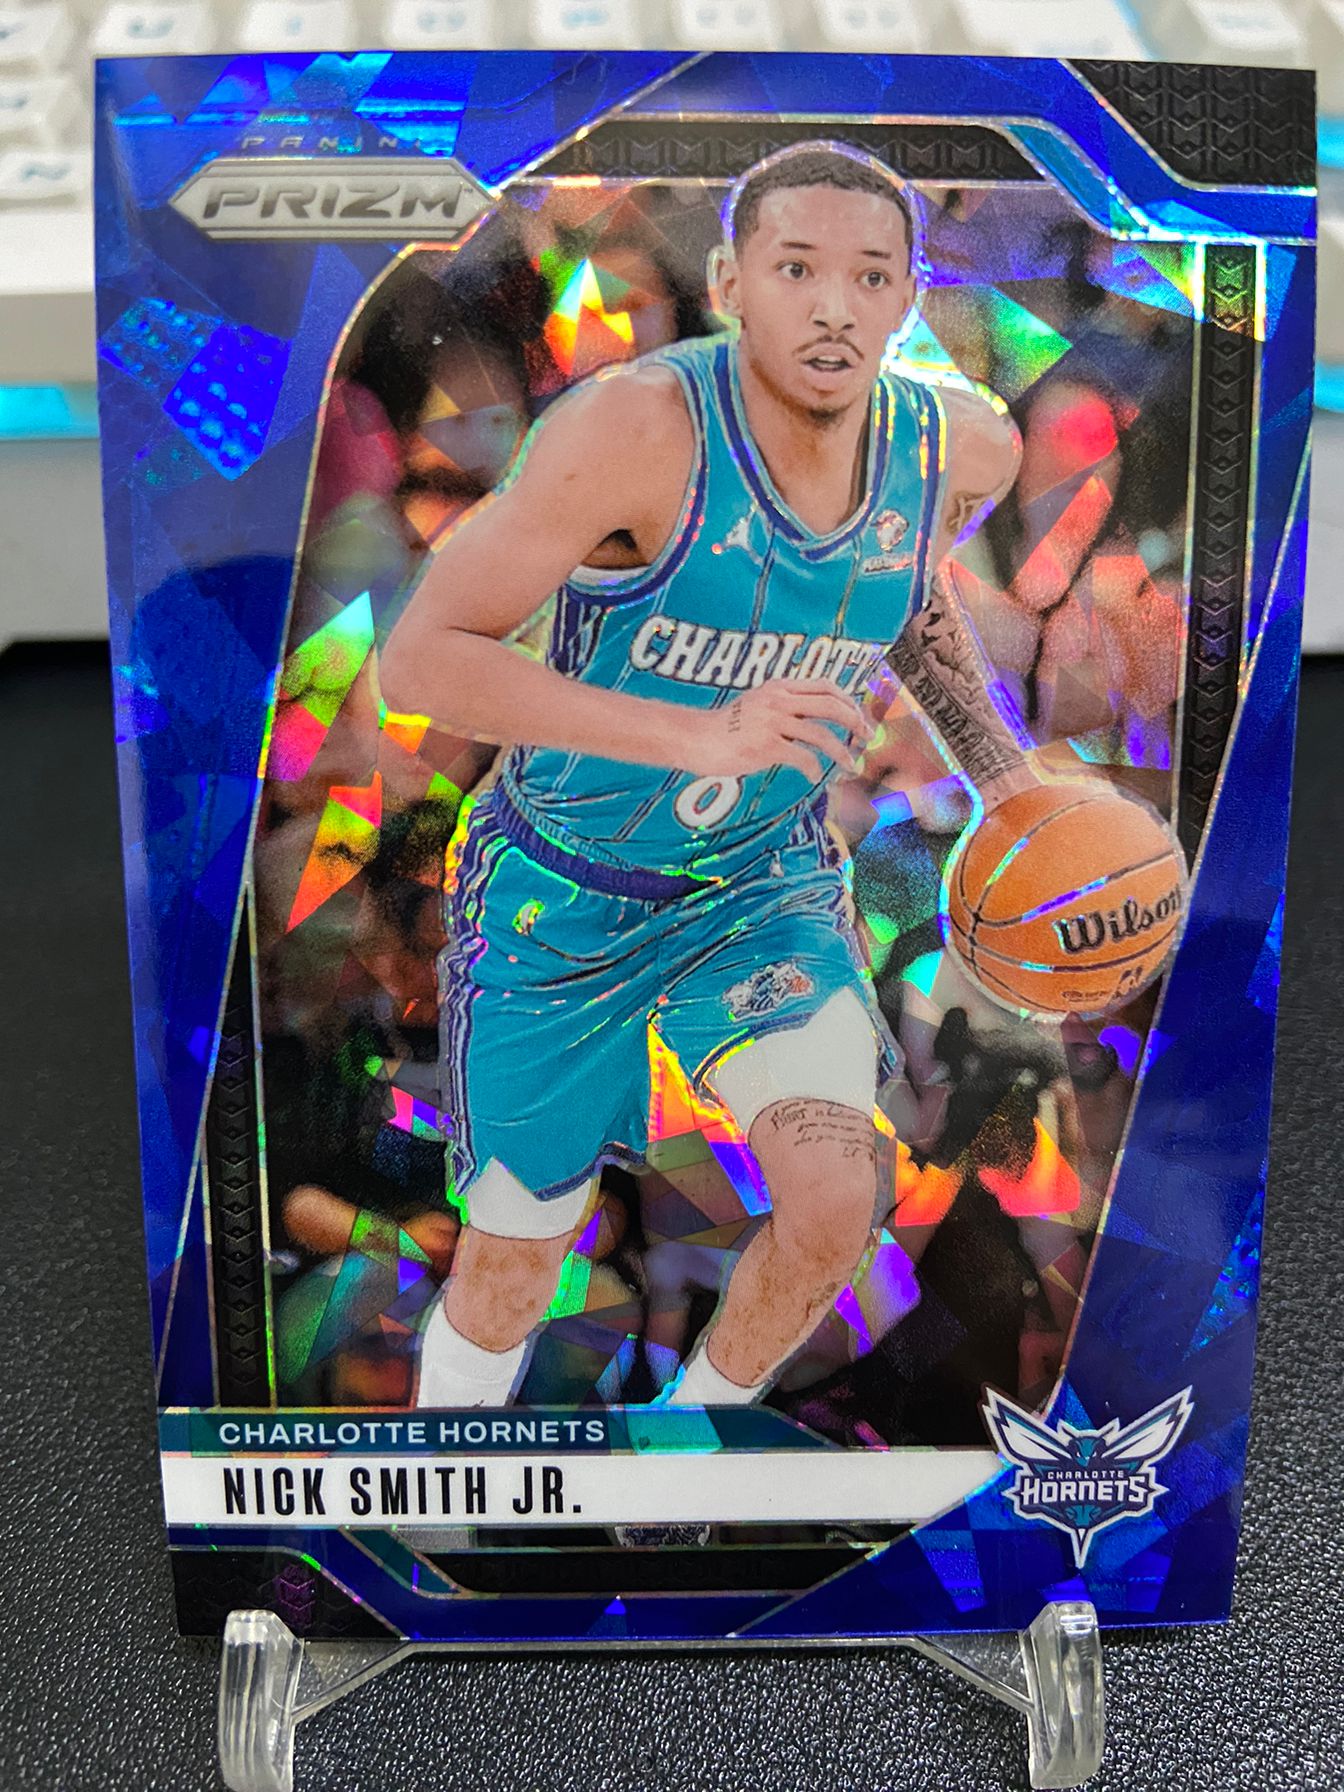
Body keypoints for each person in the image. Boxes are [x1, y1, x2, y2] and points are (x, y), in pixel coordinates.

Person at [380, 141, 1027, 1410]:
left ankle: (687, 1449)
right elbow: (421, 661)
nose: (834, 305)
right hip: (564, 888)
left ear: (908, 298)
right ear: (730, 283)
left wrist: (1007, 777)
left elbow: (900, 595)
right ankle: (449, 1470)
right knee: (514, 1268)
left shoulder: (964, 447)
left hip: (757, 884)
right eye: (797, 269)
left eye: (870, 275)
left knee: (838, 1197)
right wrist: (705, 735)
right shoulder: (634, 429)